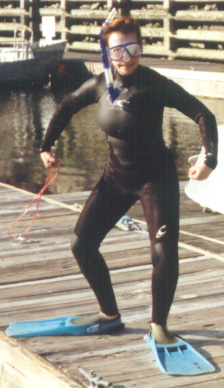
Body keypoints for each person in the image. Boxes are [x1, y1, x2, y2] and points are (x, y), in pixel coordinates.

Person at [40, 16, 218, 343]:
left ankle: (158, 325)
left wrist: (210, 159)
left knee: (163, 254)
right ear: (107, 54)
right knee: (82, 245)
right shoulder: (99, 85)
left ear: (141, 47)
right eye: (118, 51)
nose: (127, 59)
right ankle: (110, 316)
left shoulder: (155, 83)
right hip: (115, 178)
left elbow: (202, 113)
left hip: (156, 179)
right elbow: (66, 106)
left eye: (133, 48)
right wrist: (45, 147)